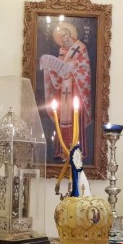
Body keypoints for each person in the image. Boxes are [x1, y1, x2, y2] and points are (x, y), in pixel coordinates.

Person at [40, 21, 92, 161]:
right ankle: (62, 150)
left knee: (75, 117)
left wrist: (72, 69)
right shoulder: (62, 51)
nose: (65, 39)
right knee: (61, 117)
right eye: (62, 37)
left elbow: (85, 68)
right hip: (63, 90)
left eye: (66, 36)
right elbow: (58, 70)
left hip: (76, 89)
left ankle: (77, 150)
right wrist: (50, 68)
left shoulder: (80, 48)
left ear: (71, 35)